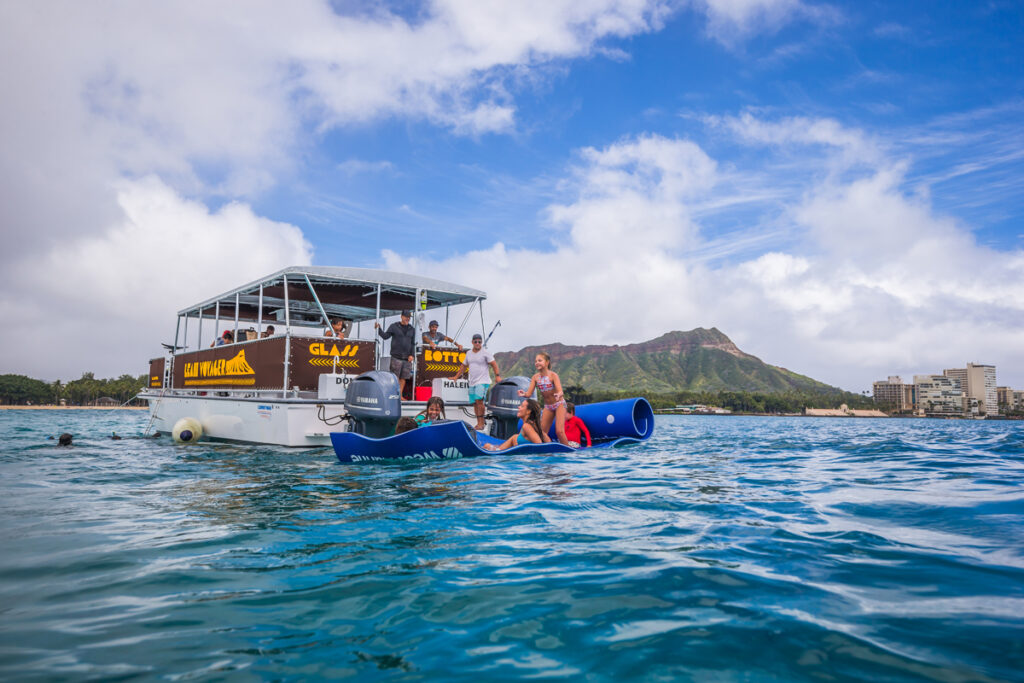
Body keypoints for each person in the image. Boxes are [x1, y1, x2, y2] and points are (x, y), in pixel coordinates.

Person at [451, 333, 501, 431]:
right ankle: (479, 423)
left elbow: (494, 364)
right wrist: (456, 376)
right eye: (475, 341)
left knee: (479, 401)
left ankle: (481, 423)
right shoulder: (468, 353)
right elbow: (463, 366)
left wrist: (497, 376)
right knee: (474, 403)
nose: (477, 343)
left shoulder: (486, 352)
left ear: (481, 342)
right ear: (472, 342)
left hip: (483, 381)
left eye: (479, 341)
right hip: (472, 382)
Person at [519, 351, 569, 446]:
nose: (537, 362)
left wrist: (558, 395)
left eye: (540, 360)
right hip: (548, 406)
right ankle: (545, 451)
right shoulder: (535, 378)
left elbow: (560, 391)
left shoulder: (553, 375)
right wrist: (524, 394)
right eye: (535, 361)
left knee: (559, 431)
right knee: (541, 432)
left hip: (560, 404)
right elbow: (529, 394)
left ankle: (569, 452)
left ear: (547, 362)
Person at [375, 311, 416, 399]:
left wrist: (412, 355)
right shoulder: (394, 326)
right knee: (395, 378)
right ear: (401, 316)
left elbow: (413, 344)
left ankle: (400, 395)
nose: (407, 318)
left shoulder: (412, 329)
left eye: (409, 317)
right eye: (406, 316)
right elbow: (385, 336)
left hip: (407, 358)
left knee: (403, 378)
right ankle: (394, 395)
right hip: (396, 357)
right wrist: (378, 329)